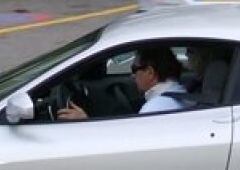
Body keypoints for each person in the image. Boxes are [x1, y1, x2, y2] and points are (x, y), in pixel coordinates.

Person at [57, 47, 189, 119]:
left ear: (150, 72)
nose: (132, 75)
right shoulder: (181, 92)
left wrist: (85, 122)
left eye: (134, 69)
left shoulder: (153, 110)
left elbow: (126, 147)